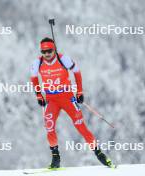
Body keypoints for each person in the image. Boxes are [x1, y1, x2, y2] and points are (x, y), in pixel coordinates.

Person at [30, 38, 114, 168]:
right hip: (52, 100)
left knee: (81, 126)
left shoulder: (63, 59)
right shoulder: (38, 62)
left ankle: (99, 154)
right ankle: (55, 158)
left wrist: (79, 92)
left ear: (54, 49)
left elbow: (77, 72)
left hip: (67, 98)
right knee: (49, 126)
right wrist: (39, 95)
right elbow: (34, 79)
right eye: (43, 51)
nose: (46, 54)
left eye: (49, 51)